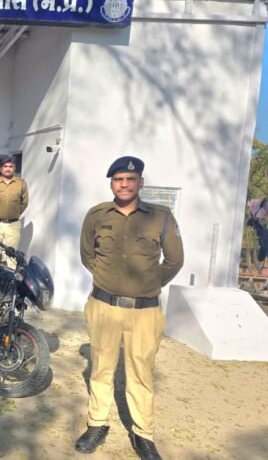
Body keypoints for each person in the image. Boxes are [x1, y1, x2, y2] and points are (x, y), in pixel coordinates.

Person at [76, 156, 184, 460]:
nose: (124, 184)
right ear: (112, 183)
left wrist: (147, 284)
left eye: (130, 179)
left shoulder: (160, 217)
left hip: (145, 312)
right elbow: (87, 255)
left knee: (141, 372)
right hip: (104, 305)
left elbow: (175, 260)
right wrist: (107, 280)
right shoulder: (96, 215)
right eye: (118, 179)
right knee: (101, 368)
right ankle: (97, 424)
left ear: (141, 183)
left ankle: (143, 434)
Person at [0, 155, 28, 267]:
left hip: (13, 224)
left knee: (11, 254)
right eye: (5, 166)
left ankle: (10, 276)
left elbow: (24, 202)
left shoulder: (21, 183)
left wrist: (14, 214)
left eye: (10, 166)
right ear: (1, 169)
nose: (8, 169)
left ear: (14, 168)